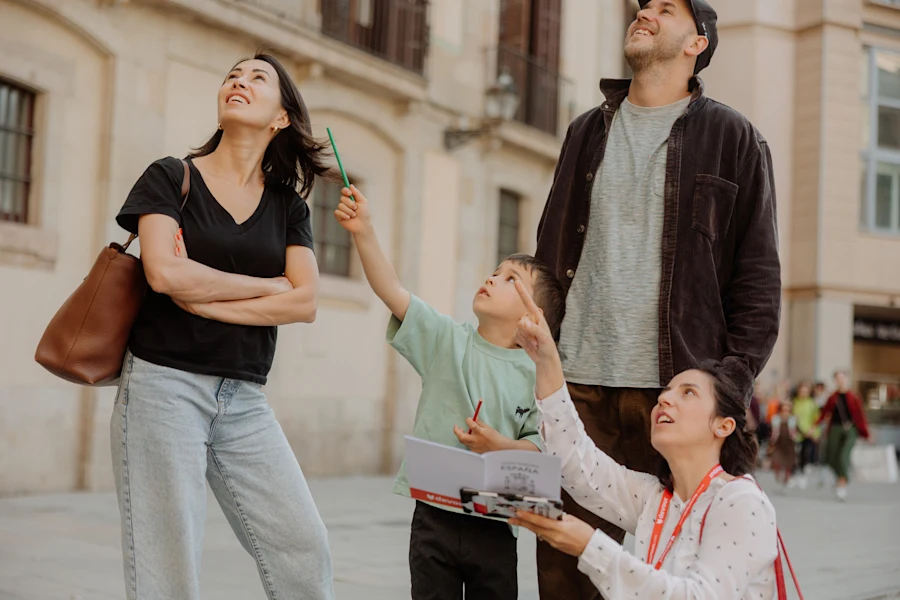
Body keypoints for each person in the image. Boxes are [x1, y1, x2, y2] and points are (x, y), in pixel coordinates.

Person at [533, 0, 781, 596]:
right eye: (643, 6)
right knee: (565, 572)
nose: (644, 11)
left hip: (671, 398)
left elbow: (758, 284)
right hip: (581, 392)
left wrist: (723, 388)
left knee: (668, 575)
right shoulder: (585, 132)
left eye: (664, 9)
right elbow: (549, 257)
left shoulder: (735, 139)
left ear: (697, 42)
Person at [112, 53, 334, 600]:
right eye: (233, 74)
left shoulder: (288, 206)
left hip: (245, 398)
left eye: (258, 78)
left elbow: (305, 302)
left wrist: (207, 297)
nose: (239, 80)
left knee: (303, 548)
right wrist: (270, 285)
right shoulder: (170, 177)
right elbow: (163, 273)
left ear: (281, 117)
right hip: (162, 388)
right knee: (170, 567)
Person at [332, 185, 566, 600]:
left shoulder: (538, 377)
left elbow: (542, 453)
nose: (493, 278)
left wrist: (498, 445)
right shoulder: (445, 341)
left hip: (494, 523)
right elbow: (392, 290)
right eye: (495, 271)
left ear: (534, 314)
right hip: (433, 517)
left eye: (511, 279)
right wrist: (363, 231)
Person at [509, 280, 779, 599]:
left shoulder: (740, 501)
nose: (665, 400)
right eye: (665, 392)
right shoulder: (655, 497)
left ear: (723, 426)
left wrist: (590, 547)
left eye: (688, 392)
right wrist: (547, 360)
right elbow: (578, 464)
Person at [817, 371, 871, 501]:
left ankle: (842, 484)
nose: (841, 380)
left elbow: (860, 415)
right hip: (835, 428)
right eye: (838, 378)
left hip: (850, 430)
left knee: (843, 455)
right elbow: (824, 413)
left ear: (847, 379)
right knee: (831, 455)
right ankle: (839, 476)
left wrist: (866, 433)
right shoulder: (833, 397)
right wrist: (815, 426)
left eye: (843, 378)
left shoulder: (854, 397)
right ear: (835, 380)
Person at [791, 382, 820, 488]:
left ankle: (802, 475)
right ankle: (792, 475)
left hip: (808, 434)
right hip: (795, 433)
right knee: (794, 454)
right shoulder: (794, 403)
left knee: (804, 454)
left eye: (805, 391)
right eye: (801, 391)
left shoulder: (812, 404)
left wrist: (813, 432)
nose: (803, 393)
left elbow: (816, 419)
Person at [767, 402, 797, 489]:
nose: (785, 412)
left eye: (787, 410)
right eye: (784, 410)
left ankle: (786, 479)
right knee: (777, 460)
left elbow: (798, 430)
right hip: (778, 443)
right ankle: (778, 475)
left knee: (789, 462)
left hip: (789, 443)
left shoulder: (792, 420)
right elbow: (771, 432)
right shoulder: (775, 419)